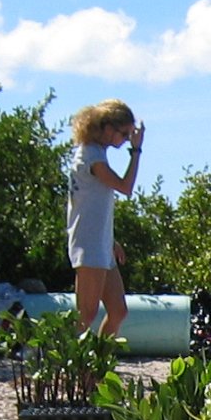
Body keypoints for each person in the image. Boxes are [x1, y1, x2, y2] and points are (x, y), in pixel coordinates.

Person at [67, 100, 144, 339]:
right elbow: (125, 187)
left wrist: (111, 240)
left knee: (118, 312)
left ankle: (98, 367)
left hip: (100, 243)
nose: (125, 139)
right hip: (88, 245)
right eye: (124, 134)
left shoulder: (97, 152)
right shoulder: (91, 156)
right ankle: (61, 365)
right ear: (108, 128)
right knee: (85, 315)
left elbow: (94, 205)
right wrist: (136, 151)